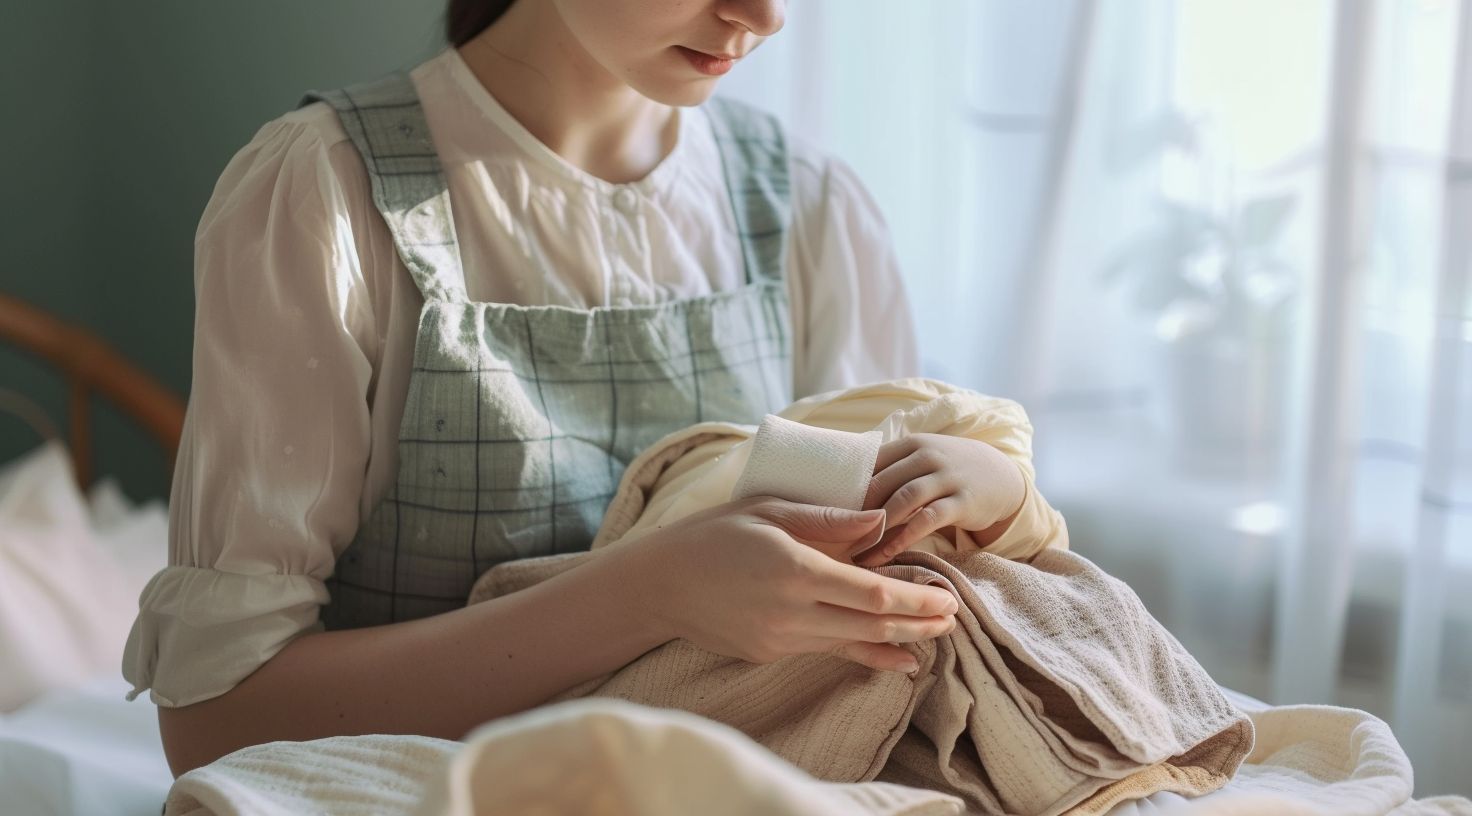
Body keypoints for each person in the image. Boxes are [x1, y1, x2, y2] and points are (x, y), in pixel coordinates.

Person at [123, 0, 1023, 779]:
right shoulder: (328, 197)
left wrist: (987, 493)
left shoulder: (810, 207)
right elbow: (217, 722)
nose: (765, 16)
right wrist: (648, 594)